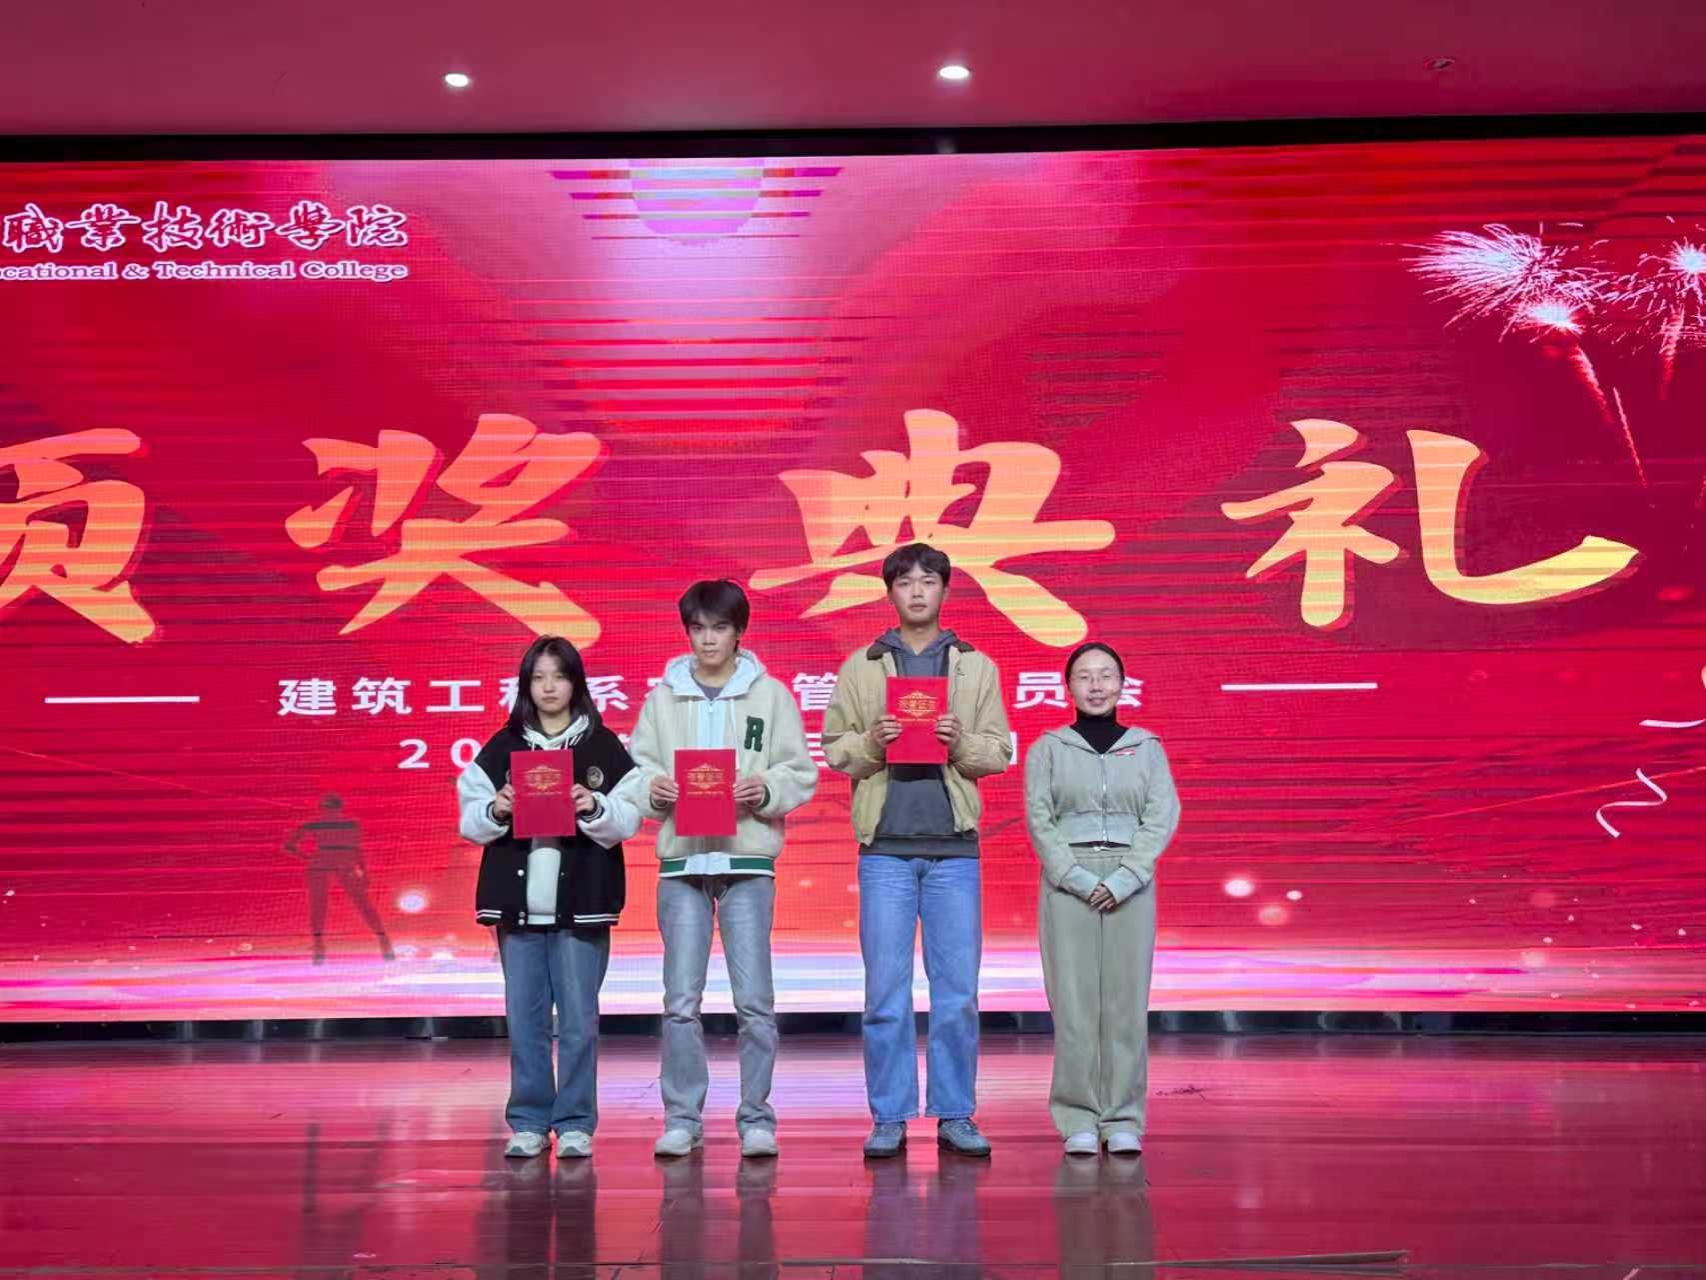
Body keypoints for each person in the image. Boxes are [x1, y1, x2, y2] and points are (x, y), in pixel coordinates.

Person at [821, 542, 1012, 1158]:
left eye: (928, 581)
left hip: (955, 851)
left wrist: (962, 743)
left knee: (957, 993)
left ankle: (955, 1113)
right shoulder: (863, 665)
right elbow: (835, 747)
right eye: (905, 582)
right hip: (885, 850)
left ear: (945, 590)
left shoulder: (975, 667)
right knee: (885, 993)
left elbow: (999, 752)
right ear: (891, 593)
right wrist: (872, 743)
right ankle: (889, 1115)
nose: (917, 592)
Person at [617, 579, 818, 1159]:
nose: (708, 639)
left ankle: (756, 1117)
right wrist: (653, 789)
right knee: (681, 1001)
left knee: (754, 1002)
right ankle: (682, 1117)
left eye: (720, 628)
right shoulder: (664, 698)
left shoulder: (770, 696)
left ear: (739, 632)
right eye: (698, 628)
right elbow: (636, 769)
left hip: (747, 860)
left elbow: (799, 770)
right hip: (682, 861)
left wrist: (767, 788)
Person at [457, 634, 640, 1160]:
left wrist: (594, 805)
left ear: (576, 683)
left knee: (579, 1021)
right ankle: (530, 1121)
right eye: (538, 678)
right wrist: (496, 809)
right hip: (518, 911)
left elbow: (628, 819)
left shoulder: (603, 747)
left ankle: (576, 1121)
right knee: (526, 1021)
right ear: (525, 686)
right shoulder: (503, 747)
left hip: (582, 905)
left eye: (559, 676)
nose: (549, 687)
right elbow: (470, 820)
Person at [1024, 641, 1179, 1157]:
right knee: (1073, 1005)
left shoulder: (1147, 746)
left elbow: (1161, 816)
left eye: (1106, 675)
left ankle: (1123, 1118)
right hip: (1068, 881)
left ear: (1122, 684)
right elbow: (1039, 819)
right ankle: (1078, 1119)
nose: (1096, 685)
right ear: (1067, 687)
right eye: (1085, 676)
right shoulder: (1048, 747)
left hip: (1130, 882)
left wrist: (1127, 877)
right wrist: (1072, 876)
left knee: (1125, 1005)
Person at [284, 792, 392, 965]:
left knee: (323, 905)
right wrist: (364, 871)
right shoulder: (349, 824)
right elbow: (357, 849)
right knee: (358, 903)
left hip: (327, 861)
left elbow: (289, 846)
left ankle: (320, 946)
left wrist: (308, 857)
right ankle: (383, 940)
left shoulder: (317, 824)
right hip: (339, 861)